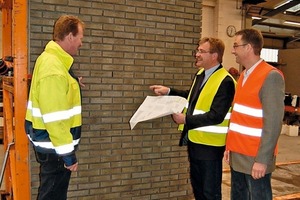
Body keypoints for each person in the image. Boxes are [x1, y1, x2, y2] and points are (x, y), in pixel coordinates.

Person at [150, 37, 236, 200]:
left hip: (210, 146)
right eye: (197, 50)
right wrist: (168, 91)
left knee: (210, 192)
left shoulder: (225, 81)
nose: (197, 54)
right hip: (196, 141)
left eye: (201, 51)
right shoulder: (201, 75)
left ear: (214, 56)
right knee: (198, 189)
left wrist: (186, 120)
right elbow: (192, 98)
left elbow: (216, 116)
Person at [25, 15, 85, 200]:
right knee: (52, 196)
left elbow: (55, 96)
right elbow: (55, 116)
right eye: (80, 38)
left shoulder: (54, 62)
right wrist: (68, 154)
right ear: (69, 37)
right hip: (56, 147)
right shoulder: (54, 69)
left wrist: (73, 81)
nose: (81, 43)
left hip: (53, 145)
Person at [224, 28, 285, 200]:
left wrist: (263, 160)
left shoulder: (270, 76)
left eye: (236, 45)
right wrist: (230, 146)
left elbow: (273, 123)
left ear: (249, 47)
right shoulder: (243, 75)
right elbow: (238, 115)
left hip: (255, 158)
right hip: (238, 154)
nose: (232, 50)